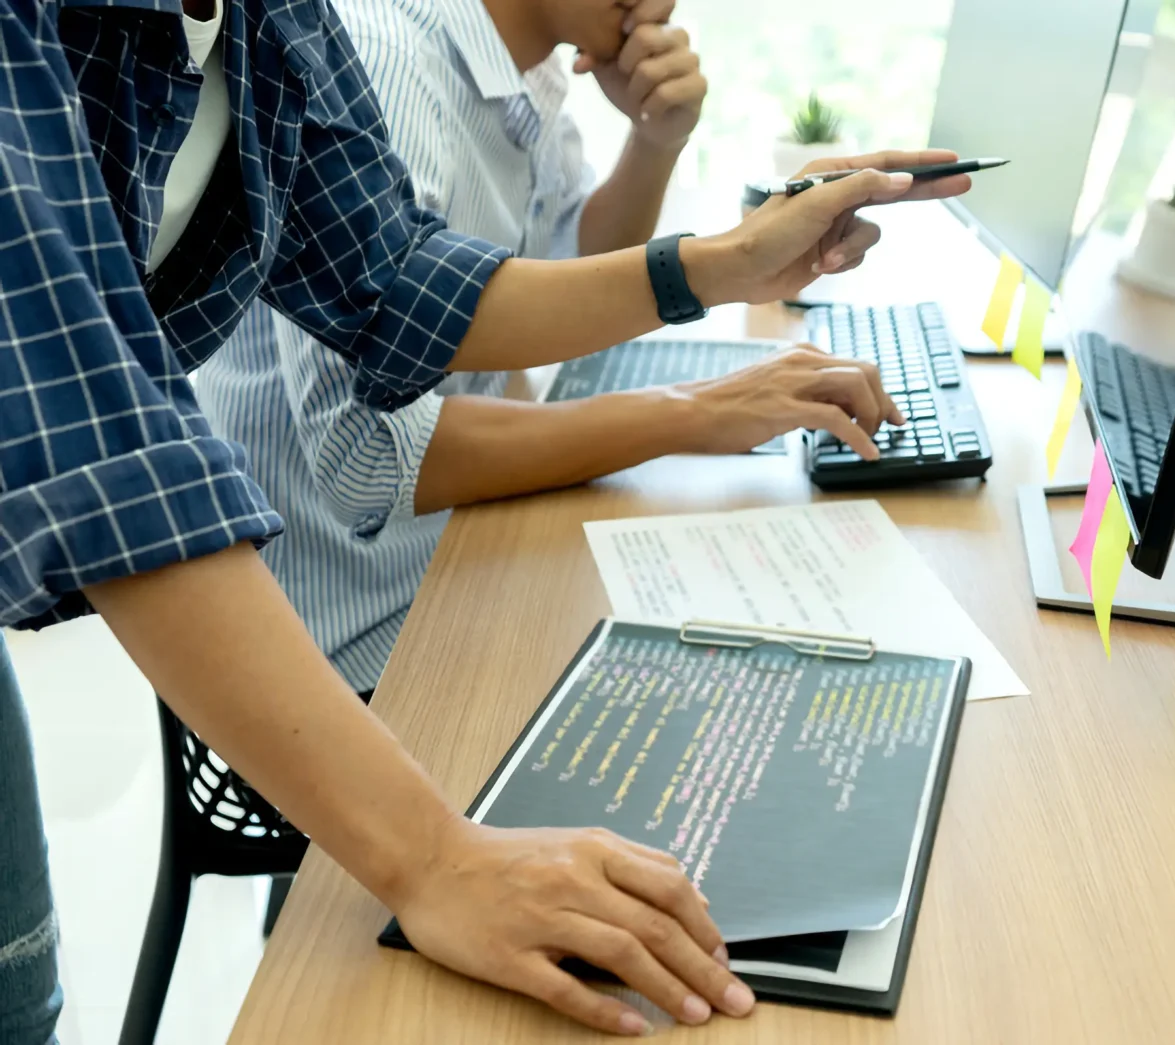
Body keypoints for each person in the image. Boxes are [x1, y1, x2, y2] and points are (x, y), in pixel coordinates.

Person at [0, 0, 969, 1041]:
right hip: (331, 623)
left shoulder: (277, 19)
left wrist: (718, 264)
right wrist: (433, 859)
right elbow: (102, 448)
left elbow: (396, 284)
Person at [198, 0, 921, 700]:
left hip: (461, 554)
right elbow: (368, 456)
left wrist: (655, 139)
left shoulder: (527, 69)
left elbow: (570, 267)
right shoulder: (389, 62)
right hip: (362, 641)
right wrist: (696, 410)